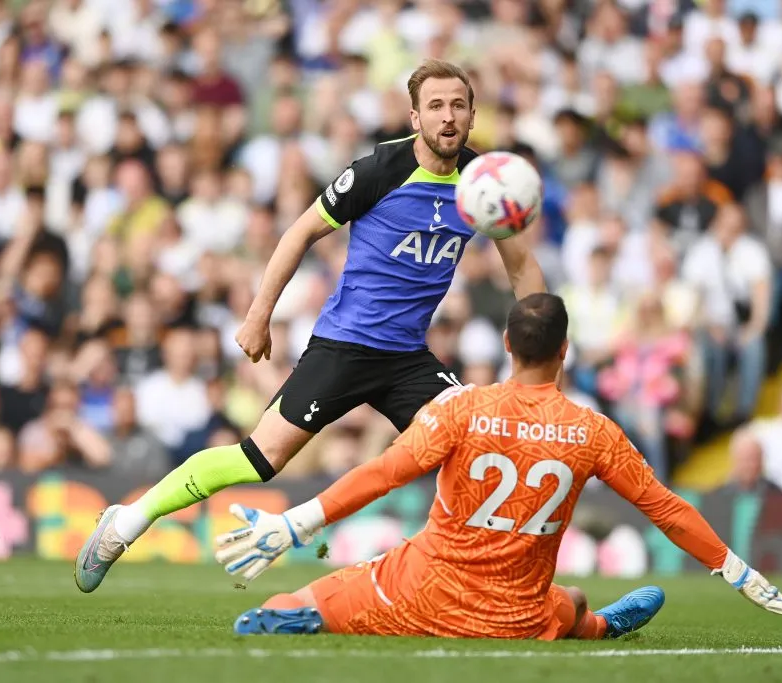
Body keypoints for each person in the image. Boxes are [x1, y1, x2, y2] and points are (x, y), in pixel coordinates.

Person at [74, 59, 546, 593]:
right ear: (415, 117)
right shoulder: (376, 172)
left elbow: (521, 266)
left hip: (408, 358)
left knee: (479, 449)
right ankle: (128, 521)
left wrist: (547, 360)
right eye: (435, 106)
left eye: (458, 105)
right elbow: (299, 233)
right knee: (259, 459)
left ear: (472, 115)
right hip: (344, 346)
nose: (447, 117)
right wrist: (258, 316)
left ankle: (488, 588)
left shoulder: (482, 185)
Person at [214, 294, 782, 639]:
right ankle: (600, 627)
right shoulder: (592, 431)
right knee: (571, 600)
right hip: (514, 616)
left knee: (293, 602)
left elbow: (385, 473)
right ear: (565, 351)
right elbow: (667, 508)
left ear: (505, 343)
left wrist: (296, 524)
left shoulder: (461, 408)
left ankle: (293, 619)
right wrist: (738, 571)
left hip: (417, 593)